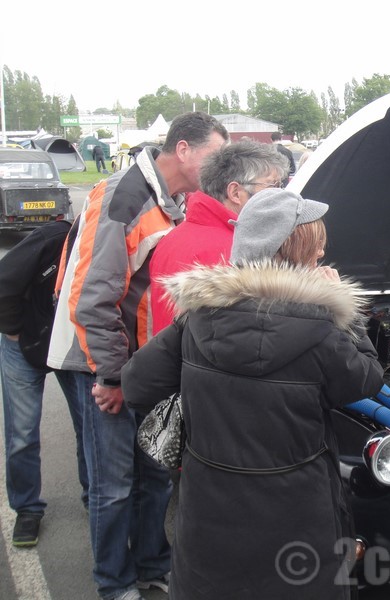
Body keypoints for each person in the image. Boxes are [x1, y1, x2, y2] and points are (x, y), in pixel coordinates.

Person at [121, 188, 385, 600]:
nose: (321, 259)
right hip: (299, 522)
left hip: (210, 518)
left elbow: (136, 385)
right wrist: (346, 313)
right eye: (316, 250)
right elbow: (367, 379)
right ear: (290, 252)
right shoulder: (321, 331)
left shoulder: (197, 317)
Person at [47, 112, 229, 600]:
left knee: (155, 470)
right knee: (113, 483)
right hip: (97, 362)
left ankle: (152, 564)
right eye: (214, 154)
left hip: (143, 361)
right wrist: (112, 376)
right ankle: (114, 582)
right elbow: (93, 299)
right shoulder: (123, 196)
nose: (221, 167)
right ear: (184, 149)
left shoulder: (184, 200)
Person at [0, 219, 88, 547]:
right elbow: (3, 282)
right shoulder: (53, 238)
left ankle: (94, 495)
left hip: (69, 345)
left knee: (88, 425)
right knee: (22, 432)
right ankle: (27, 508)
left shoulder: (109, 245)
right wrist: (13, 330)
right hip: (24, 344)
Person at [149, 139, 289, 335]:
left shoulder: (177, 235)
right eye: (272, 185)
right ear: (235, 192)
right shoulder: (232, 250)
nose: (279, 194)